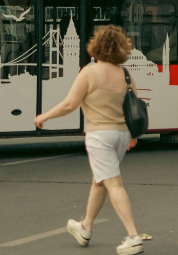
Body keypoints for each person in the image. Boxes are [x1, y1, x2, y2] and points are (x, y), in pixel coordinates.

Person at [35, 25, 145, 255]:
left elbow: (69, 104)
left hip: (99, 136)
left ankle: (133, 236)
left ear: (97, 46)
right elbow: (135, 105)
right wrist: (133, 135)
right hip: (122, 136)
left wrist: (45, 116)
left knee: (113, 183)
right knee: (100, 180)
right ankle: (85, 228)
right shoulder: (125, 74)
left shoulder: (89, 72)